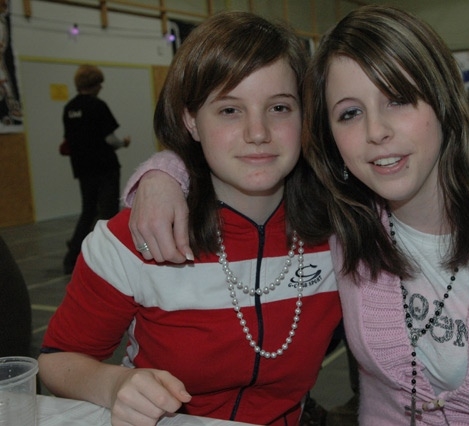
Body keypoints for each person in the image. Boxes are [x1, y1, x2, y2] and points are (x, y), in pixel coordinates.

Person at [124, 5, 469, 425]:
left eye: (398, 99)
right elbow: (243, 161)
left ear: (442, 98)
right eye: (350, 113)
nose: (376, 131)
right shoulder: (343, 212)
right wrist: (163, 174)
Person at [39, 12, 342, 426]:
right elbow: (57, 360)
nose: (258, 132)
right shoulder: (136, 238)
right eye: (229, 110)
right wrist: (113, 385)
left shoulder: (341, 233)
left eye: (279, 107)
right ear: (190, 121)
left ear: (304, 115)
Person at [62, 64, 131, 275]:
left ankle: (71, 258)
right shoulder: (98, 106)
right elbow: (110, 139)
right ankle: (109, 261)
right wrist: (123, 143)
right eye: (100, 83)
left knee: (88, 211)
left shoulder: (69, 108)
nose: (101, 87)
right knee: (109, 213)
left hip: (83, 167)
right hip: (104, 166)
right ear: (94, 84)